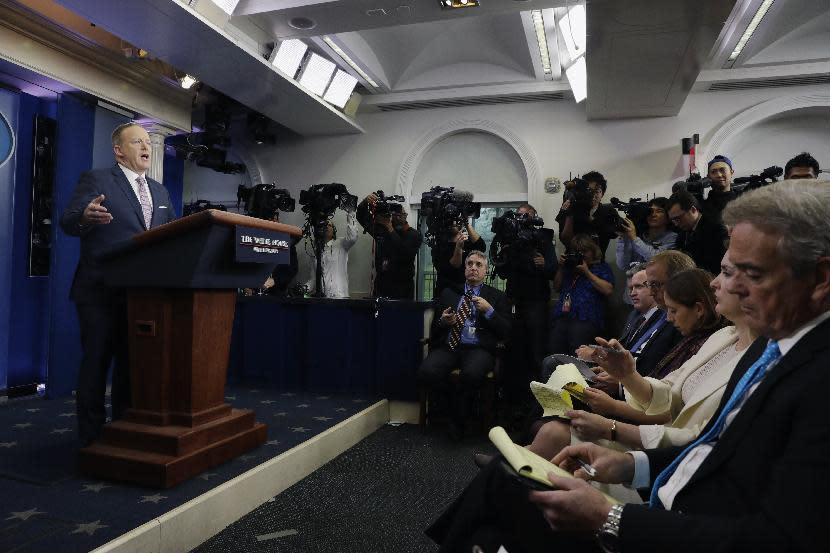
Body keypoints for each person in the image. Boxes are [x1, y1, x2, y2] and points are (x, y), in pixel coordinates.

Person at [427, 179, 830, 553]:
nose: (721, 285)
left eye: (748, 272)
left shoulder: (811, 375)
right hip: (661, 491)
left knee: (501, 498)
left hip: (670, 527)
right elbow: (709, 446)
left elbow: (776, 539)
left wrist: (612, 517)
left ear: (820, 278)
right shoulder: (762, 346)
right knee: (494, 511)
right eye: (728, 270)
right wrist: (630, 464)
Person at [529, 261, 747, 461]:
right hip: (644, 422)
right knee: (543, 432)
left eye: (726, 272)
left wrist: (611, 424)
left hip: (666, 455)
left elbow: (696, 435)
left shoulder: (740, 351)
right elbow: (668, 392)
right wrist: (627, 375)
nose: (715, 282)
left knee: (550, 433)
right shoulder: (724, 336)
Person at [59, 122, 176, 446]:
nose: (145, 147)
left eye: (148, 142)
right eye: (136, 142)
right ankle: (92, 440)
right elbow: (68, 221)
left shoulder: (161, 191)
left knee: (131, 366)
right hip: (99, 291)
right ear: (118, 150)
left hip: (141, 295)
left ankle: (123, 431)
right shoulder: (97, 180)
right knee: (96, 363)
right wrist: (85, 216)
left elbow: (173, 234)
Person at [418, 251, 511, 439]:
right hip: (451, 346)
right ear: (465, 269)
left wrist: (489, 311)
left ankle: (457, 423)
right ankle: (455, 412)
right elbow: (436, 328)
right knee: (427, 371)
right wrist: (444, 322)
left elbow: (507, 331)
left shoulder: (497, 296)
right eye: (469, 264)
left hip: (479, 349)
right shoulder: (449, 293)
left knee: (471, 374)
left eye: (478, 265)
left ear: (486, 270)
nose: (473, 268)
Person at [494, 203, 557, 412]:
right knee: (514, 351)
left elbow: (552, 269)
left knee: (536, 352)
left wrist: (543, 264)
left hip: (537, 302)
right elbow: (501, 272)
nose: (522, 219)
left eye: (526, 216)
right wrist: (504, 253)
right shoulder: (509, 239)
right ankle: (513, 401)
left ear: (535, 218)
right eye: (519, 216)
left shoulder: (543, 238)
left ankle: (538, 406)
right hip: (513, 302)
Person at [549, 234, 614, 357]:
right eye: (576, 252)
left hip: (586, 319)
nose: (581, 255)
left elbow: (608, 290)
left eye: (584, 251)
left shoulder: (601, 268)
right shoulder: (568, 268)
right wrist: (561, 268)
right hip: (562, 316)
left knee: (577, 354)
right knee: (556, 352)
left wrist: (587, 272)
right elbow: (556, 287)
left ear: (593, 251)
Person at [356, 193, 422, 299]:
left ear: (405, 216)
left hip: (402, 291)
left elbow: (404, 253)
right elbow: (360, 217)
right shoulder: (381, 232)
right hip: (381, 289)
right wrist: (365, 202)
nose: (396, 217)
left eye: (400, 214)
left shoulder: (413, 234)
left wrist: (389, 227)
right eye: (394, 214)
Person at [667, 190, 727, 275]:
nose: (676, 224)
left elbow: (718, 266)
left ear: (693, 209)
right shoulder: (682, 235)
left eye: (678, 218)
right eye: (673, 220)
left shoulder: (716, 229)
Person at [557, 171, 617, 256]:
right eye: (589, 191)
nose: (592, 195)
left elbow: (612, 234)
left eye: (596, 191)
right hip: (573, 261)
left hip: (597, 263)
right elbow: (565, 240)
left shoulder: (607, 211)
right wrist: (570, 213)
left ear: (602, 194)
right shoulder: (570, 209)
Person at [614, 197, 677, 275]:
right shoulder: (639, 236)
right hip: (635, 283)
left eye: (659, 211)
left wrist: (634, 239)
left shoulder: (672, 237)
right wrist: (624, 239)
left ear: (668, 216)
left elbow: (656, 259)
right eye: (650, 211)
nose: (653, 215)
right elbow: (623, 265)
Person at [304, 211, 359, 298]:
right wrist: (302, 289)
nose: (326, 227)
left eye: (329, 225)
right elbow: (314, 280)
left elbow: (352, 237)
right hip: (322, 300)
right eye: (324, 225)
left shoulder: (341, 244)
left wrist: (350, 214)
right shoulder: (315, 251)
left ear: (334, 231)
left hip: (340, 298)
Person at [431, 221, 485, 298]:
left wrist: (466, 222)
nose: (454, 222)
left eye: (456, 220)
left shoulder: (468, 242)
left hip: (466, 294)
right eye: (451, 220)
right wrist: (458, 247)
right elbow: (453, 268)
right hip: (445, 294)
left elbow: (481, 247)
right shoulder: (439, 246)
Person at [700, 155, 736, 221]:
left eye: (722, 170)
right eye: (713, 172)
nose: (719, 175)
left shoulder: (742, 201)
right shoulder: (703, 207)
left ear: (731, 172)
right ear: (708, 177)